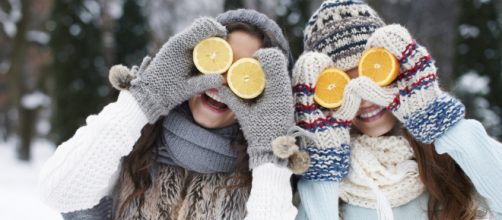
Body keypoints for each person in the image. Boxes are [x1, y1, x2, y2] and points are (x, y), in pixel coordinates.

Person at [39, 9, 298, 220]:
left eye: (245, 75)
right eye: (215, 60)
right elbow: (60, 193)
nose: (220, 84)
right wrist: (142, 100)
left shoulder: (270, 180)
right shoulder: (134, 139)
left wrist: (269, 155)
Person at [292, 0, 502, 219]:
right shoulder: (326, 188)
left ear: (398, 71)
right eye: (343, 86)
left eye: (372, 76)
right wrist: (324, 162)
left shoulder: (455, 156)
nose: (363, 98)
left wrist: (434, 117)